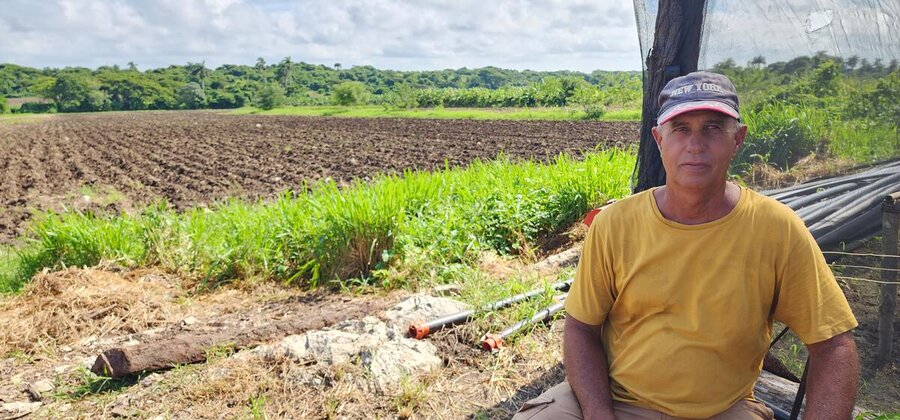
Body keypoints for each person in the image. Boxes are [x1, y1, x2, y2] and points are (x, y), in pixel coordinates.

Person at [513, 72, 859, 419]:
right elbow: (580, 328)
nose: (695, 144)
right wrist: (598, 413)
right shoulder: (615, 224)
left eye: (712, 127)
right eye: (680, 128)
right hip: (617, 398)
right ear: (659, 139)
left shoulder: (775, 228)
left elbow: (833, 346)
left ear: (737, 139)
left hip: (721, 409)